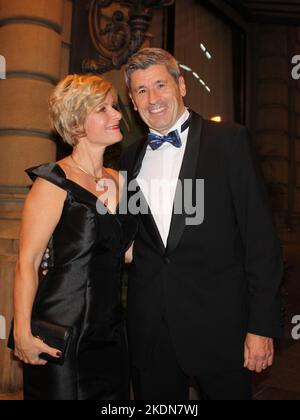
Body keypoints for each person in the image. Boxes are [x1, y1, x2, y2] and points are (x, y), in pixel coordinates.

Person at [121, 48, 283, 400]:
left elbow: (261, 242)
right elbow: (133, 237)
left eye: (160, 85)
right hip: (151, 331)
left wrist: (260, 327)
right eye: (141, 91)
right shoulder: (128, 158)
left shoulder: (229, 142)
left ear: (181, 86)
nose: (152, 99)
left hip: (221, 328)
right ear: (132, 102)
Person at [12, 74, 137, 400]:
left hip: (110, 332)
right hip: (61, 334)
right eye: (103, 109)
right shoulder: (53, 182)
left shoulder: (122, 181)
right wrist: (23, 332)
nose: (117, 115)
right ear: (77, 122)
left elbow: (127, 253)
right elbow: (28, 261)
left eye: (114, 107)